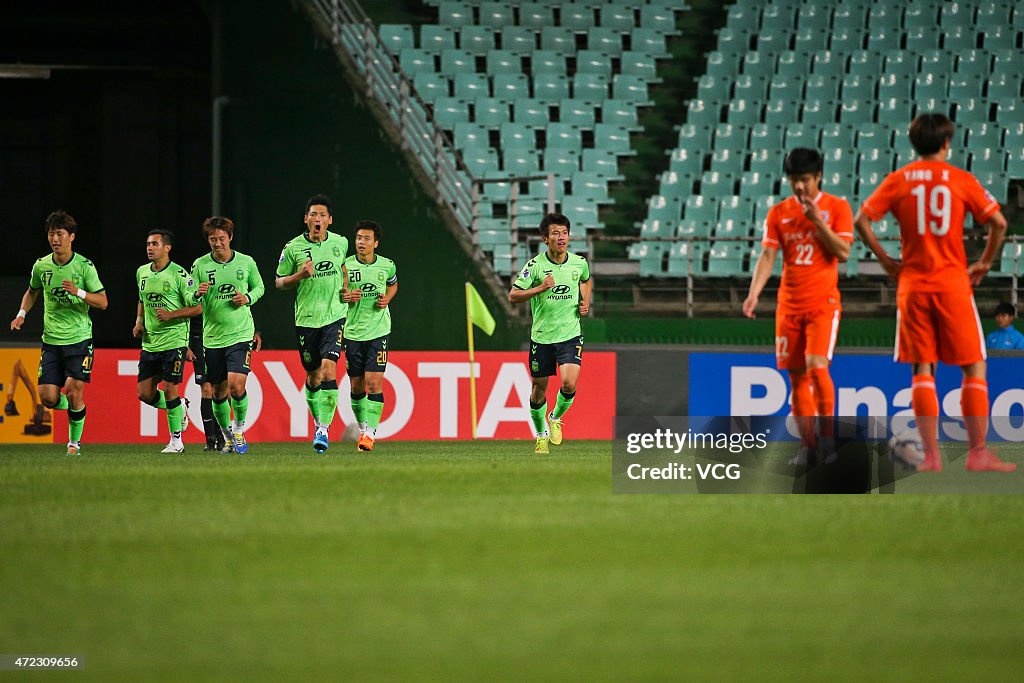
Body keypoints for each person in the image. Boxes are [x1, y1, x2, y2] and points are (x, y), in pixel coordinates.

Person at [855, 112, 1015, 472]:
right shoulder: (960, 179)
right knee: (973, 367)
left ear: (914, 143)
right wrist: (985, 262)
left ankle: (931, 458)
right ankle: (978, 454)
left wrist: (885, 261)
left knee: (922, 371)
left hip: (912, 286)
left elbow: (861, 220)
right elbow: (999, 223)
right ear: (947, 142)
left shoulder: (898, 180)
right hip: (952, 283)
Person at [743, 148, 853, 465]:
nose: (799, 187)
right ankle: (808, 447)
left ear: (819, 177)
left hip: (823, 304)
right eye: (794, 180)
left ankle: (828, 441)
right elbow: (767, 256)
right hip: (789, 306)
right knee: (796, 378)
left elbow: (843, 252)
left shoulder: (837, 207)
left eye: (805, 180)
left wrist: (817, 221)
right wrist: (754, 293)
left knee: (818, 368)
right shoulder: (778, 213)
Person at [9, 210, 108, 455]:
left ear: (71, 237)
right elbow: (31, 291)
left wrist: (79, 293)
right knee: (48, 398)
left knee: (74, 389)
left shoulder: (85, 266)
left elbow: (103, 302)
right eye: (52, 234)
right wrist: (21, 314)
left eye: (60, 234)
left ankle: (73, 444)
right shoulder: (42, 266)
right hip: (51, 341)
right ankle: (77, 409)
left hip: (79, 339)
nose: (55, 239)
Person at [509, 212, 592, 455]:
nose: (561, 237)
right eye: (555, 233)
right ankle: (541, 434)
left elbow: (586, 280)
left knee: (568, 383)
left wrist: (585, 301)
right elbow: (513, 296)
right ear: (545, 238)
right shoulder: (535, 266)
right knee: (538, 390)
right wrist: (540, 287)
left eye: (564, 233)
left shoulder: (579, 263)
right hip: (542, 337)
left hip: (570, 334)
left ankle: (555, 418)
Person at [275, 194, 349, 453]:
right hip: (306, 320)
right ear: (306, 219)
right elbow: (279, 282)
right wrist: (300, 274)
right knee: (313, 376)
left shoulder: (341, 242)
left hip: (335, 317)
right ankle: (319, 419)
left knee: (330, 370)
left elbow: (344, 269)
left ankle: (323, 429)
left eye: (322, 215)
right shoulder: (292, 248)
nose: (317, 219)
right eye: (313, 215)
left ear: (330, 220)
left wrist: (347, 290)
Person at [191, 216, 265, 454]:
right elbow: (190, 293)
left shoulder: (246, 262)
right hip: (213, 337)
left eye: (222, 238)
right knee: (218, 392)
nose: (217, 243)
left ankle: (239, 429)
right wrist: (196, 293)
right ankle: (227, 437)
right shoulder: (200, 265)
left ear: (230, 238)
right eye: (213, 239)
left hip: (241, 333)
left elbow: (260, 287)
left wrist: (247, 298)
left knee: (236, 385)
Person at [132, 229, 201, 453]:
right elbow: (141, 299)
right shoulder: (142, 272)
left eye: (154, 244)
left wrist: (172, 315)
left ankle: (176, 441)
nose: (149, 248)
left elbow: (197, 307)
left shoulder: (179, 275)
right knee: (144, 393)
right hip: (151, 342)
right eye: (148, 244)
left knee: (171, 387)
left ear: (167, 248)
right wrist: (139, 321)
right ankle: (180, 407)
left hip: (174, 340)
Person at [341, 220, 397, 452]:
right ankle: (363, 426)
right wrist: (345, 296)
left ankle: (369, 434)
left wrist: (388, 298)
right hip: (353, 332)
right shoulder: (345, 266)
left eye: (366, 239)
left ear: (375, 243)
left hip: (378, 332)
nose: (361, 243)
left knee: (374, 383)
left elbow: (393, 285)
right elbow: (339, 292)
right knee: (356, 386)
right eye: (358, 238)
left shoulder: (387, 266)